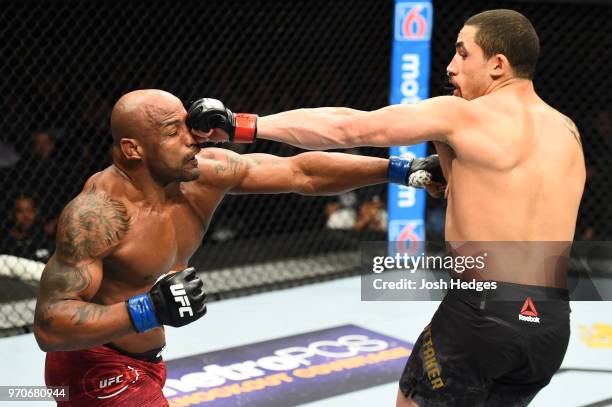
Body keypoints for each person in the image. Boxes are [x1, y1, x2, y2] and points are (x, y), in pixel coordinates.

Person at [187, 9, 586, 406]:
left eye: (463, 54)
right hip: (550, 324)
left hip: (480, 313)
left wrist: (243, 125)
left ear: (498, 64)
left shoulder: (463, 115)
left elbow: (350, 128)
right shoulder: (567, 131)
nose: (451, 67)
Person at [32, 89, 440, 406]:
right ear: (133, 149)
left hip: (145, 360)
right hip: (94, 366)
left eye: (186, 123)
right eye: (173, 132)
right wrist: (148, 310)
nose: (192, 138)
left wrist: (405, 170)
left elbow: (301, 173)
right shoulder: (97, 215)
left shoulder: (203, 173)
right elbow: (50, 324)